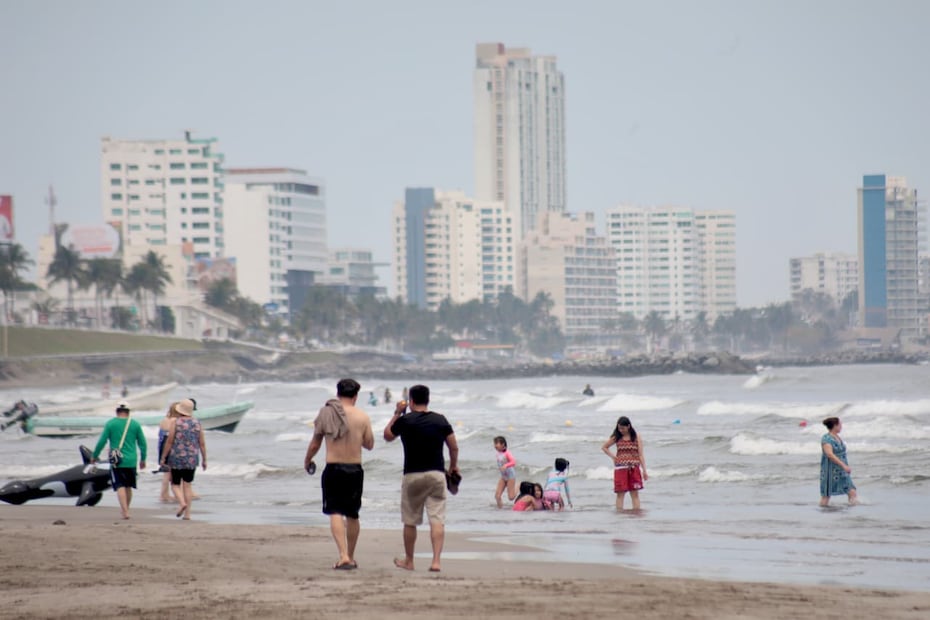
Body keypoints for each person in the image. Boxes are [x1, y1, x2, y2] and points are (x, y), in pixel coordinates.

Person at [384, 384, 459, 572]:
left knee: (410, 520)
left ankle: (409, 561)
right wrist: (453, 466)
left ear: (411, 401)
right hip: (436, 474)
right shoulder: (440, 420)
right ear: (428, 400)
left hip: (412, 475)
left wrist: (397, 413)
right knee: (437, 519)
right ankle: (436, 562)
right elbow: (453, 446)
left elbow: (387, 435)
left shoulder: (405, 420)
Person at [304, 378, 375, 570]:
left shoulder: (326, 413)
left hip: (333, 468)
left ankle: (343, 555)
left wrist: (308, 459)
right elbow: (369, 444)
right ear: (355, 396)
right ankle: (350, 556)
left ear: (337, 394)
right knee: (353, 514)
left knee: (335, 511)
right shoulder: (362, 416)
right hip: (355, 469)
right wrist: (355, 435)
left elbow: (315, 442)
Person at [91, 401, 147, 520]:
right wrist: (143, 459)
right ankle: (126, 510)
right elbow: (143, 443)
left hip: (117, 460)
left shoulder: (110, 424)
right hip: (131, 460)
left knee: (120, 485)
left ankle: (124, 511)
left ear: (117, 411)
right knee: (128, 486)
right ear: (128, 412)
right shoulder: (135, 424)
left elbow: (102, 441)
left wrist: (95, 455)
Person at [160, 399, 206, 520]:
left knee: (175, 484)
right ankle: (187, 514)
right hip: (192, 459)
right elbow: (202, 443)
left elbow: (169, 441)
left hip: (176, 457)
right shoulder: (197, 423)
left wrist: (163, 457)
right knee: (188, 485)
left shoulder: (176, 422)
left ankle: (182, 503)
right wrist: (204, 460)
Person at [601, 415, 648, 510]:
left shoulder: (636, 437)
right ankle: (620, 515)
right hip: (620, 469)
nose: (621, 430)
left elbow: (640, 455)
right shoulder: (617, 437)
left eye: (623, 428)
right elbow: (604, 447)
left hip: (634, 468)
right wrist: (613, 457)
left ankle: (636, 513)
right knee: (620, 494)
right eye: (619, 428)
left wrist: (644, 470)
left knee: (634, 493)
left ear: (628, 426)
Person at [820, 416, 858, 506]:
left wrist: (845, 466)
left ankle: (853, 511)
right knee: (826, 495)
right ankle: (822, 510)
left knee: (851, 490)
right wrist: (843, 465)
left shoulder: (837, 437)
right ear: (835, 425)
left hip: (842, 470)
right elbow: (829, 454)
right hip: (830, 471)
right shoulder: (826, 439)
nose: (841, 426)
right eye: (840, 424)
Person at [157, 404, 179, 502]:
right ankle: (167, 495)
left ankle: (164, 494)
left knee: (166, 472)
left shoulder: (164, 420)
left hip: (162, 445)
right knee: (172, 472)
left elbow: (160, 435)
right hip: (171, 445)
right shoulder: (175, 421)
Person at [493, 435, 517, 508]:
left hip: (510, 476)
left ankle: (518, 486)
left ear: (503, 444)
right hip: (503, 476)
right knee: (497, 496)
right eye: (494, 444)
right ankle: (500, 510)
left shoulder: (507, 453)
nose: (495, 446)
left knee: (511, 497)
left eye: (496, 444)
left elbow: (513, 462)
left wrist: (506, 465)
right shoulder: (498, 453)